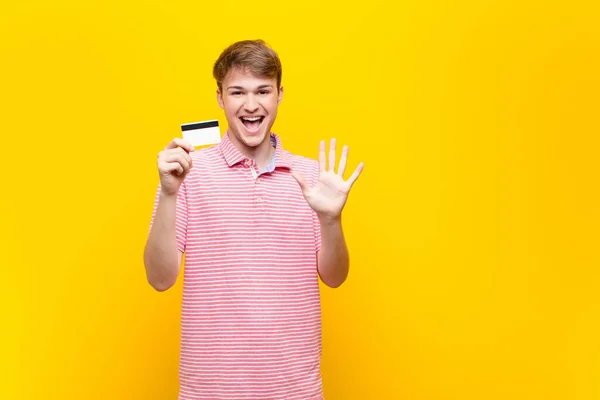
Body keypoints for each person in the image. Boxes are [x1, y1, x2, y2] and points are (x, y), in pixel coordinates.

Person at [144, 39, 364, 399]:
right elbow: (159, 278)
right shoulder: (188, 172)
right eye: (237, 92)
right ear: (219, 97)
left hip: (296, 389)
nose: (251, 105)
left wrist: (331, 220)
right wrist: (168, 192)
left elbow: (336, 277)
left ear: (279, 94)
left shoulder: (311, 176)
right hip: (210, 391)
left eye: (263, 90)